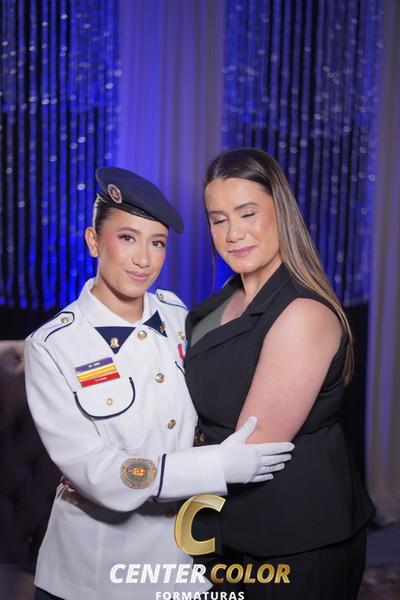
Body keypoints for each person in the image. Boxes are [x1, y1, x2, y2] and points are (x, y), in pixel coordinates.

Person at [24, 167, 294, 600]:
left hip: (186, 563)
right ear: (94, 241)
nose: (144, 260)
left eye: (157, 243)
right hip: (95, 576)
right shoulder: (53, 345)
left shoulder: (177, 314)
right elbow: (98, 472)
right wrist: (215, 467)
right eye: (127, 238)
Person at [184, 148, 375, 599]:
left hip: (295, 539)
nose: (233, 233)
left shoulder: (302, 314)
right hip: (225, 528)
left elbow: (251, 450)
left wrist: (135, 476)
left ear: (280, 212)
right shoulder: (222, 300)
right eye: (218, 219)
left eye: (247, 213)